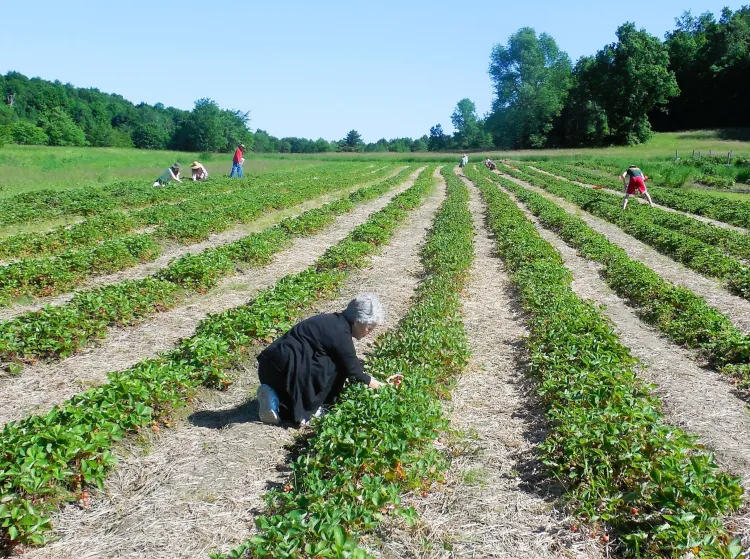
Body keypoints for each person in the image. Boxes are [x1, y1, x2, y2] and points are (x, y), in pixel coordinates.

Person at [255, 293, 395, 426]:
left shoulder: (328, 320)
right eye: (369, 328)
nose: (369, 333)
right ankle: (308, 411)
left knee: (319, 359)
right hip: (287, 370)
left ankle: (273, 397)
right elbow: (354, 371)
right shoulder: (340, 334)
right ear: (357, 322)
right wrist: (384, 387)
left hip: (268, 367)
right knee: (335, 365)